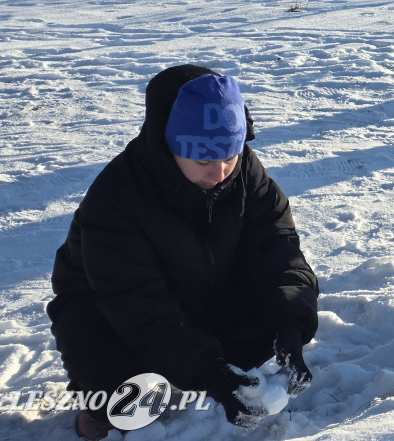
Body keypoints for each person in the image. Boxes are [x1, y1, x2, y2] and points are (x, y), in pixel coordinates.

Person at [47, 65, 319, 439]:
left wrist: (292, 323)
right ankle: (99, 412)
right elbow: (135, 301)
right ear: (171, 145)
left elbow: (278, 250)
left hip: (203, 294)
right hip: (109, 313)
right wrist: (205, 368)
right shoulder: (117, 197)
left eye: (230, 156)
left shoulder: (246, 175)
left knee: (274, 318)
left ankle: (192, 370)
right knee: (128, 407)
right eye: (204, 160)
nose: (220, 172)